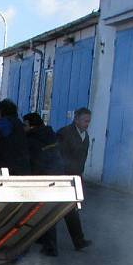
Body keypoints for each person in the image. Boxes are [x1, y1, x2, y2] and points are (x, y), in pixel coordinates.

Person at [49, 106, 93, 253]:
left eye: (88, 121)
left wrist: (79, 177)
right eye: (85, 121)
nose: (87, 124)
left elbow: (82, 160)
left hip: (74, 177)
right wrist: (60, 176)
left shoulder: (85, 136)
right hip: (62, 177)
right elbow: (56, 156)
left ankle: (78, 241)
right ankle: (50, 246)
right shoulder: (64, 133)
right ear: (76, 119)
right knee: (54, 212)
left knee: (70, 210)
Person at [23, 112, 66, 256]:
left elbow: (34, 161)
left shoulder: (32, 139)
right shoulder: (49, 133)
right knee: (48, 211)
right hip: (56, 174)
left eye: (24, 125)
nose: (23, 128)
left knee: (40, 211)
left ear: (30, 124)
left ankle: (50, 247)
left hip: (43, 177)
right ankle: (43, 240)